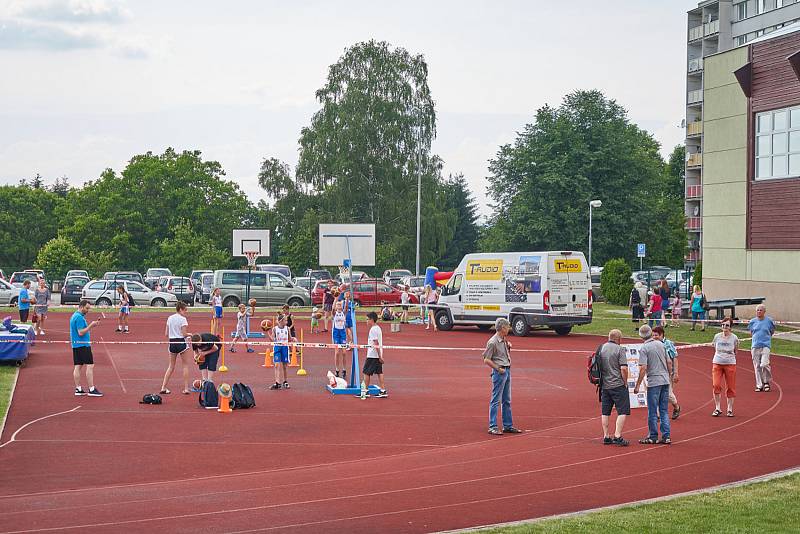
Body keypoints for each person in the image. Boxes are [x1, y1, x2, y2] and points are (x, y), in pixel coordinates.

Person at [634, 324, 672, 444]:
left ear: (641, 336)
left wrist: (638, 384)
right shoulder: (661, 344)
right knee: (664, 410)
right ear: (651, 333)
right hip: (665, 379)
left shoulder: (644, 348)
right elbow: (669, 361)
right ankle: (666, 436)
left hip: (654, 381)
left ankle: (653, 436)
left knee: (652, 410)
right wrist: (669, 375)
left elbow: (643, 367)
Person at [483, 317, 522, 435]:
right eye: (508, 327)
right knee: (496, 400)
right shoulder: (493, 342)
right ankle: (492, 425)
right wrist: (498, 369)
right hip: (500, 372)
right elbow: (486, 359)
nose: (509, 329)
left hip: (507, 370)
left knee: (507, 400)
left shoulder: (503, 339)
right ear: (503, 328)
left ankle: (508, 425)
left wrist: (508, 346)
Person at [597, 329, 630, 446]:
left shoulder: (601, 348)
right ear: (618, 339)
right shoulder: (620, 349)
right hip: (617, 384)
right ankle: (617, 435)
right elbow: (624, 368)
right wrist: (625, 382)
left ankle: (606, 435)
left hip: (604, 385)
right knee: (622, 411)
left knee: (605, 412)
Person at [70, 300, 103, 397]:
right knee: (90, 365)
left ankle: (78, 389)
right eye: (87, 308)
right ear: (81, 307)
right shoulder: (79, 317)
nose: (88, 310)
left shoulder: (75, 315)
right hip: (83, 345)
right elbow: (80, 332)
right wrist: (91, 326)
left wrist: (92, 325)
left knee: (78, 366)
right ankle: (91, 389)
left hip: (77, 345)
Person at [161, 301, 193, 395]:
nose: (186, 312)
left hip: (172, 343)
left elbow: (166, 334)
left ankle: (163, 387)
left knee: (171, 366)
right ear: (180, 309)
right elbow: (184, 334)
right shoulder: (183, 319)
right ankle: (186, 388)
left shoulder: (170, 318)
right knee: (185, 365)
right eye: (185, 310)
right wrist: (190, 334)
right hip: (181, 343)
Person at [711, 317, 739, 417]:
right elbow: (714, 347)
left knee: (730, 387)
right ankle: (717, 407)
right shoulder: (717, 336)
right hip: (717, 363)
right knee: (716, 384)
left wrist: (728, 357)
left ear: (730, 327)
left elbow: (736, 350)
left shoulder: (734, 338)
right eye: (723, 325)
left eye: (727, 325)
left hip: (730, 364)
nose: (725, 327)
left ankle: (730, 409)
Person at [653, 326, 680, 420]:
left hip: (668, 373)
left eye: (656, 335)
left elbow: (675, 358)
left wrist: (676, 373)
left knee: (668, 394)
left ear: (661, 334)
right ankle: (658, 415)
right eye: (653, 335)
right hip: (656, 372)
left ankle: (676, 407)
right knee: (655, 393)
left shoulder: (668, 344)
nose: (654, 337)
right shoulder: (653, 343)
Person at [748, 304, 775, 392]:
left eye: (760, 310)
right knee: (757, 366)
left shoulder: (769, 321)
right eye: (757, 310)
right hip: (755, 346)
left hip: (765, 345)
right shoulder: (752, 321)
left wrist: (766, 338)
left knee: (764, 364)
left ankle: (766, 381)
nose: (759, 312)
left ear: (764, 311)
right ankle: (759, 385)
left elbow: (772, 331)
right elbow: (751, 332)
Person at [361, 311, 388, 399]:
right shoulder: (378, 328)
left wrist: (380, 356)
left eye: (367, 319)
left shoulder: (373, 329)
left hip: (373, 354)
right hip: (377, 353)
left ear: (372, 320)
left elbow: (376, 343)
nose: (366, 321)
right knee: (379, 372)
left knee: (366, 372)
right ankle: (383, 390)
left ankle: (365, 391)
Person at [268, 314, 296, 390]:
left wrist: (293, 339)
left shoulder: (287, 329)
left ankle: (285, 381)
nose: (287, 321)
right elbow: (273, 339)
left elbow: (289, 338)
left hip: (285, 348)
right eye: (285, 320)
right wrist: (268, 333)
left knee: (285, 365)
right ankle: (277, 383)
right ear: (281, 321)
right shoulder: (274, 329)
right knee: (277, 365)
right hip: (277, 347)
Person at [331, 301, 348, 379]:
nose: (339, 306)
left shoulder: (344, 312)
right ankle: (337, 370)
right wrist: (335, 298)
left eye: (340, 305)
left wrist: (347, 299)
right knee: (337, 352)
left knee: (344, 353)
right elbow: (332, 309)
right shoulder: (334, 313)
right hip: (336, 333)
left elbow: (346, 307)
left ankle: (344, 369)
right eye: (338, 305)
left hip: (342, 333)